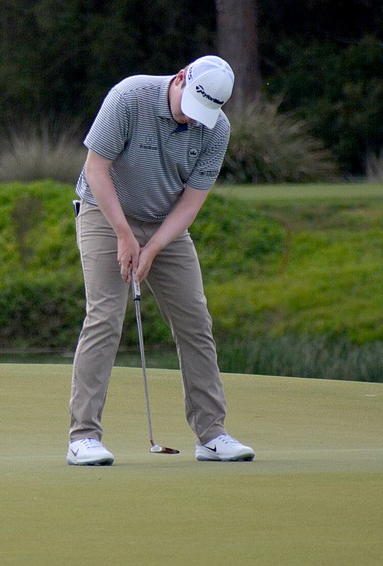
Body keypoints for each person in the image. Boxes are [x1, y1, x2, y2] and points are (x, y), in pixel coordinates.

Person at [67, 55, 255, 465]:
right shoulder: (129, 97)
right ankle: (83, 436)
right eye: (190, 108)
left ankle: (211, 435)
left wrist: (151, 247)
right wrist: (124, 234)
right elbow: (96, 170)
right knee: (105, 315)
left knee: (195, 321)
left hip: (166, 222)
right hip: (104, 211)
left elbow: (192, 202)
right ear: (181, 78)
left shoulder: (215, 129)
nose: (191, 120)